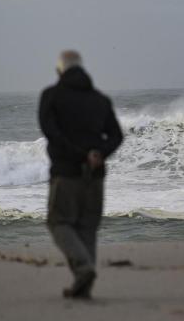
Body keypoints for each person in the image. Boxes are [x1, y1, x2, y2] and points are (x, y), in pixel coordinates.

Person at [38, 50, 123, 299]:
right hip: (95, 176)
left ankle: (83, 269)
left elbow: (51, 131)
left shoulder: (51, 96)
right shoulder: (100, 100)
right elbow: (116, 136)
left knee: (58, 223)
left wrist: (77, 154)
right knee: (87, 227)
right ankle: (83, 286)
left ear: (59, 70)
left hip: (66, 173)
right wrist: (98, 153)